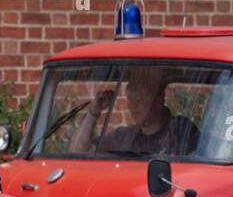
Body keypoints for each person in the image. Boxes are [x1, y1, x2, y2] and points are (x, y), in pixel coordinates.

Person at [68, 65, 200, 156]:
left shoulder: (180, 131)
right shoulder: (123, 137)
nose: (133, 106)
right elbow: (78, 151)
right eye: (130, 100)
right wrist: (93, 112)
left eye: (140, 100)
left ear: (159, 100)